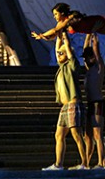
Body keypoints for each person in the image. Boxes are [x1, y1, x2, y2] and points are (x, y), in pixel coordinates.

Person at [42, 31, 87, 171]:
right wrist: (58, 38)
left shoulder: (72, 65)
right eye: (59, 54)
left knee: (76, 135)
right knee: (59, 135)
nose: (59, 55)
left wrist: (65, 37)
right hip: (65, 107)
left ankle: (85, 164)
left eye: (62, 54)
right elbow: (57, 50)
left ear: (68, 55)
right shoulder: (61, 69)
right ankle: (58, 164)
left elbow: (67, 47)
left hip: (73, 105)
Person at [82, 33, 105, 169]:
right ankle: (86, 162)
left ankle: (101, 163)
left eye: (88, 57)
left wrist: (94, 38)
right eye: (85, 58)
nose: (86, 60)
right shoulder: (89, 70)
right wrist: (87, 36)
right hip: (90, 104)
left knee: (98, 134)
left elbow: (96, 52)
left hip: (98, 103)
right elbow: (85, 50)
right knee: (88, 136)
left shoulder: (98, 68)